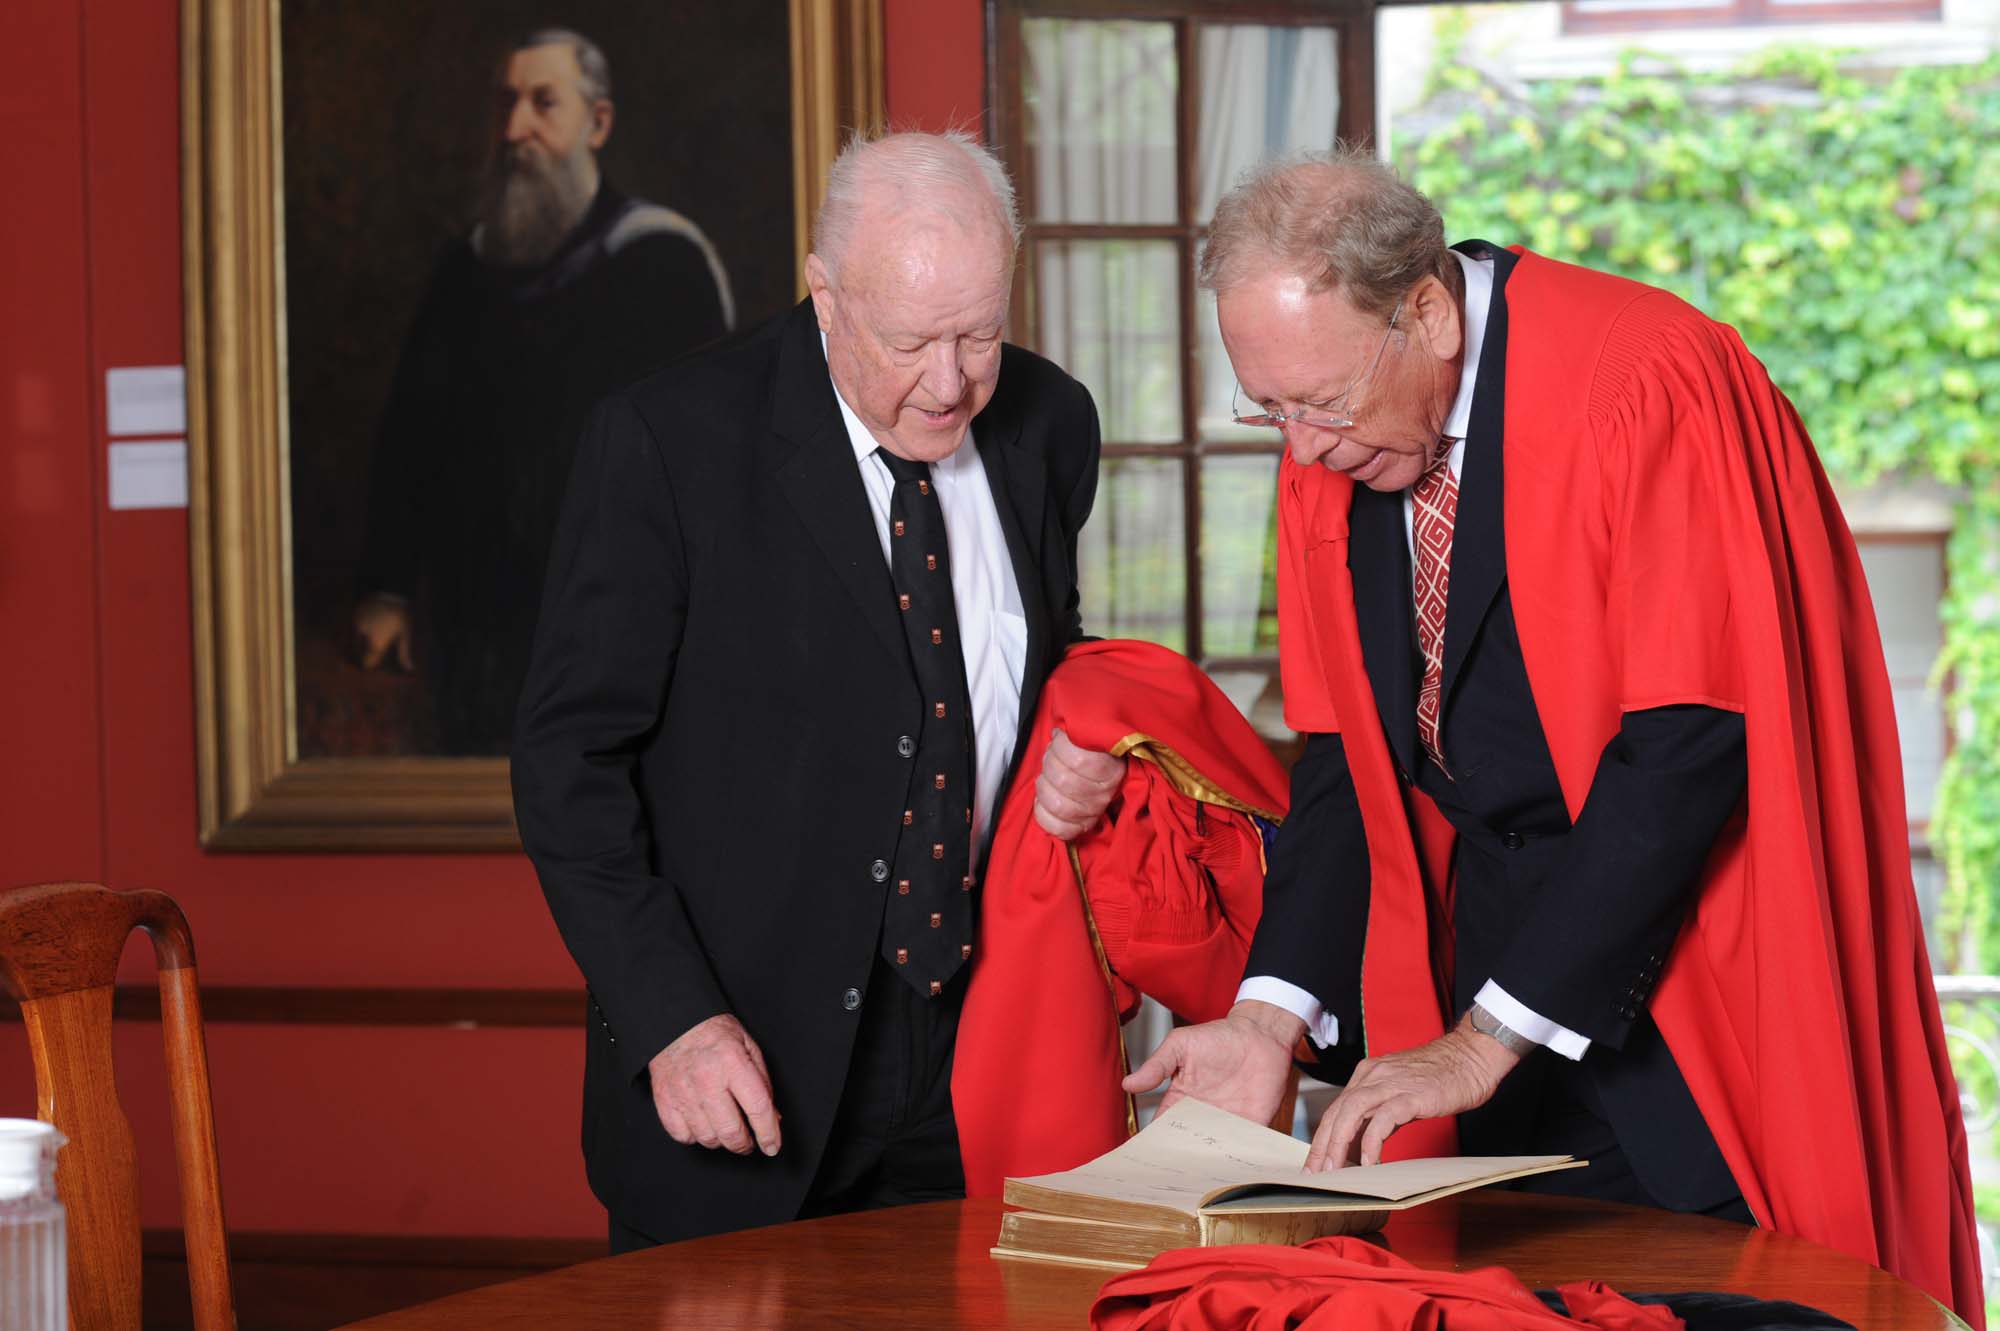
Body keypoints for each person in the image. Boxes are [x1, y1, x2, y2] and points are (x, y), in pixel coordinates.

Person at [1120, 148, 1980, 1321]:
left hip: (1680, 987)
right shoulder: (1340, 425)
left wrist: (1485, 1036)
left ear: (1422, 310)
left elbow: (1685, 745)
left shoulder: (1643, 376)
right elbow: (1346, 757)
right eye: (1266, 409)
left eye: (1314, 405)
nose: (1301, 448)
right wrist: (1270, 1013)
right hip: (1469, 1003)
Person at [511, 130, 1121, 1250]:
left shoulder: (1047, 423)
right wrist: (672, 1020)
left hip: (983, 1054)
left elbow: (1043, 665)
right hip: (741, 1064)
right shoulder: (666, 443)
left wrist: (1080, 744)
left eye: (979, 334)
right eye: (910, 341)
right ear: (825, 294)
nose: (949, 383)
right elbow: (566, 764)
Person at [353, 27, 733, 754]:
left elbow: (706, 453)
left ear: (598, 124)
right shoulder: (464, 271)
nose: (515, 127)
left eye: (542, 103)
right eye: (507, 103)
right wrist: (387, 589)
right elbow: (412, 432)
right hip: (475, 621)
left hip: (618, 612)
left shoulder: (662, 264)